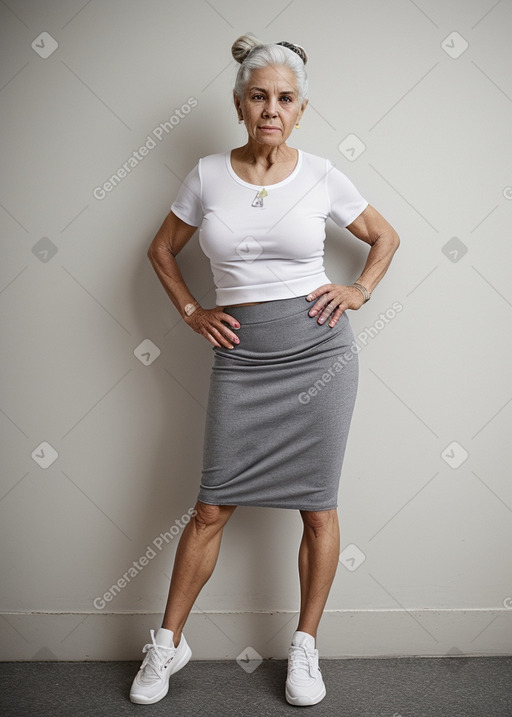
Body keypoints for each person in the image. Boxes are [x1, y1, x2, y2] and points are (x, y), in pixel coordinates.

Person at [130, 33, 400, 707]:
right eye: (259, 97)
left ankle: (304, 646)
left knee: (318, 506)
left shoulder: (321, 173)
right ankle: (168, 642)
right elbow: (161, 250)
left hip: (320, 355)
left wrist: (358, 289)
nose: (271, 109)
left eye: (285, 98)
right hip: (243, 361)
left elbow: (384, 236)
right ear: (239, 104)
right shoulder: (206, 175)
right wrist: (192, 308)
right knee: (212, 504)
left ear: (300, 109)